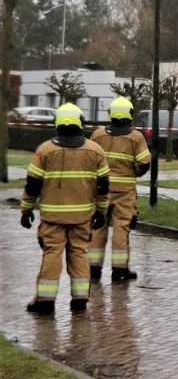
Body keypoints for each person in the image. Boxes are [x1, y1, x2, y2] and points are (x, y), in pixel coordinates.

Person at [19, 103, 110, 314]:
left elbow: (32, 184)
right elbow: (103, 187)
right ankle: (80, 299)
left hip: (52, 218)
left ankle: (45, 301)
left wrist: (26, 210)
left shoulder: (44, 150)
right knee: (79, 253)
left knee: (52, 254)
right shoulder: (95, 151)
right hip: (82, 217)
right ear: (80, 122)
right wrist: (101, 211)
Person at [87, 96, 152, 282]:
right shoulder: (135, 137)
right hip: (125, 191)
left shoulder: (98, 135)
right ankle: (120, 270)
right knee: (122, 228)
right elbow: (144, 163)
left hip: (101, 189)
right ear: (129, 115)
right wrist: (135, 172)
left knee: (98, 226)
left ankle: (93, 269)